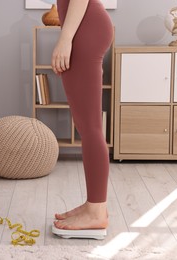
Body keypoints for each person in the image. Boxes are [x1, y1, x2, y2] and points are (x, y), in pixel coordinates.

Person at [51, 0, 113, 239]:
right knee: (88, 126)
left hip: (84, 31)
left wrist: (65, 39)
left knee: (91, 128)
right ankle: (93, 206)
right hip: (86, 28)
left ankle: (96, 212)